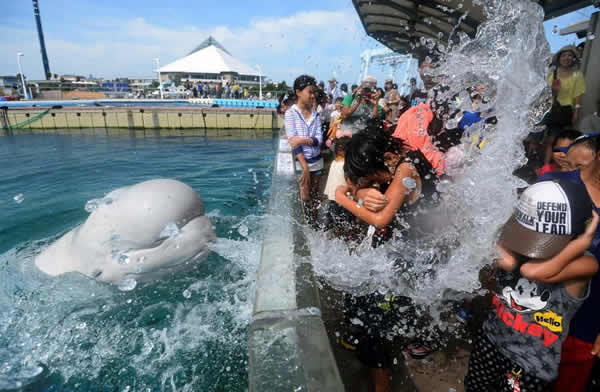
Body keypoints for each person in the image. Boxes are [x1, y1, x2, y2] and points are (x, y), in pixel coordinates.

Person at [464, 179, 598, 392]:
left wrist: (583, 242)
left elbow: (531, 272)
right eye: (531, 234)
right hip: (491, 340)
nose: (532, 245)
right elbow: (505, 260)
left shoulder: (586, 263)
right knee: (475, 388)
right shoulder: (517, 250)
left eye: (545, 238)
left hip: (530, 365)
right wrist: (518, 218)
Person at [334, 125, 437, 392]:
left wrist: (342, 197)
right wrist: (358, 192)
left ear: (382, 161)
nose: (369, 184)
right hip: (401, 250)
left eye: (369, 178)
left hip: (419, 256)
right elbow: (355, 185)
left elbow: (381, 218)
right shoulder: (392, 163)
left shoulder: (406, 169)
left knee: (375, 325)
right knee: (361, 295)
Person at [549, 134, 600, 391]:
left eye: (579, 166)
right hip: (540, 315)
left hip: (585, 324)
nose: (572, 173)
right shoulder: (554, 186)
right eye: (568, 166)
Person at [284, 75, 324, 226]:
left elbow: (319, 140)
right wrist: (305, 166)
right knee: (305, 196)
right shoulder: (290, 114)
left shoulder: (315, 114)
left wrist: (301, 139)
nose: (313, 95)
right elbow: (294, 144)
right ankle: (305, 226)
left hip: (317, 161)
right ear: (298, 92)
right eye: (310, 92)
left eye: (314, 92)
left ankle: (313, 225)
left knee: (315, 196)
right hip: (302, 162)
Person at [543, 45, 586, 165]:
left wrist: (576, 112)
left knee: (564, 141)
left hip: (566, 111)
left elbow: (578, 94)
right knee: (549, 140)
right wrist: (554, 89)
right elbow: (546, 93)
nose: (566, 58)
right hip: (552, 109)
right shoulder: (553, 73)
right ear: (559, 58)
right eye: (564, 55)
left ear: (574, 58)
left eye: (570, 55)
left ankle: (561, 166)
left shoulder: (577, 75)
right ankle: (546, 166)